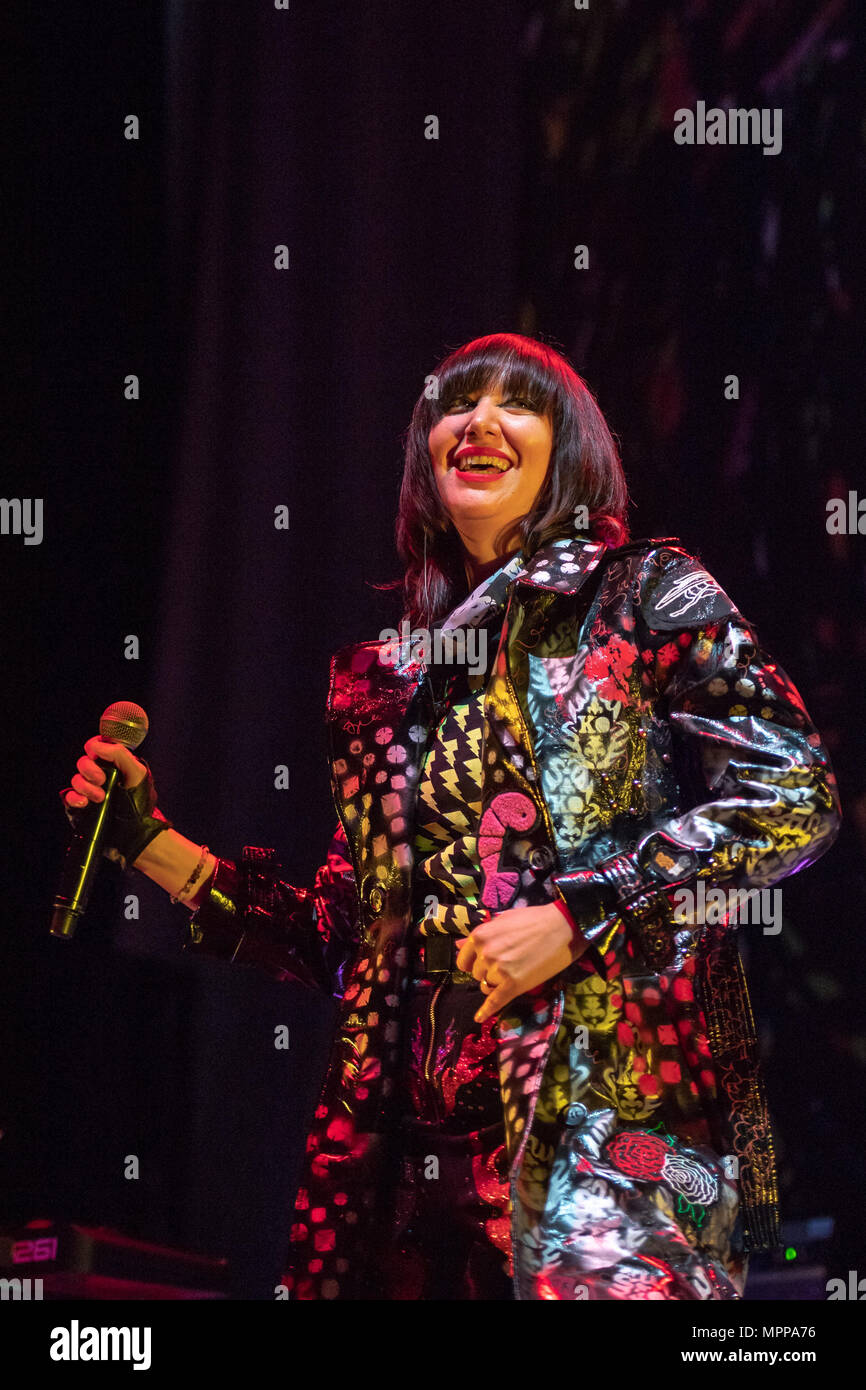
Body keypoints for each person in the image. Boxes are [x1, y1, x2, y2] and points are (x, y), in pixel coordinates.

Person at [61, 332, 841, 1301]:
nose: (476, 419)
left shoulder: (641, 595)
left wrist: (576, 915)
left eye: (516, 404)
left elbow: (788, 795)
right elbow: (347, 938)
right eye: (453, 403)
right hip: (388, 1154)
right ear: (424, 459)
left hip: (591, 1122)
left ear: (571, 451)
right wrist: (148, 841)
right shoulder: (382, 679)